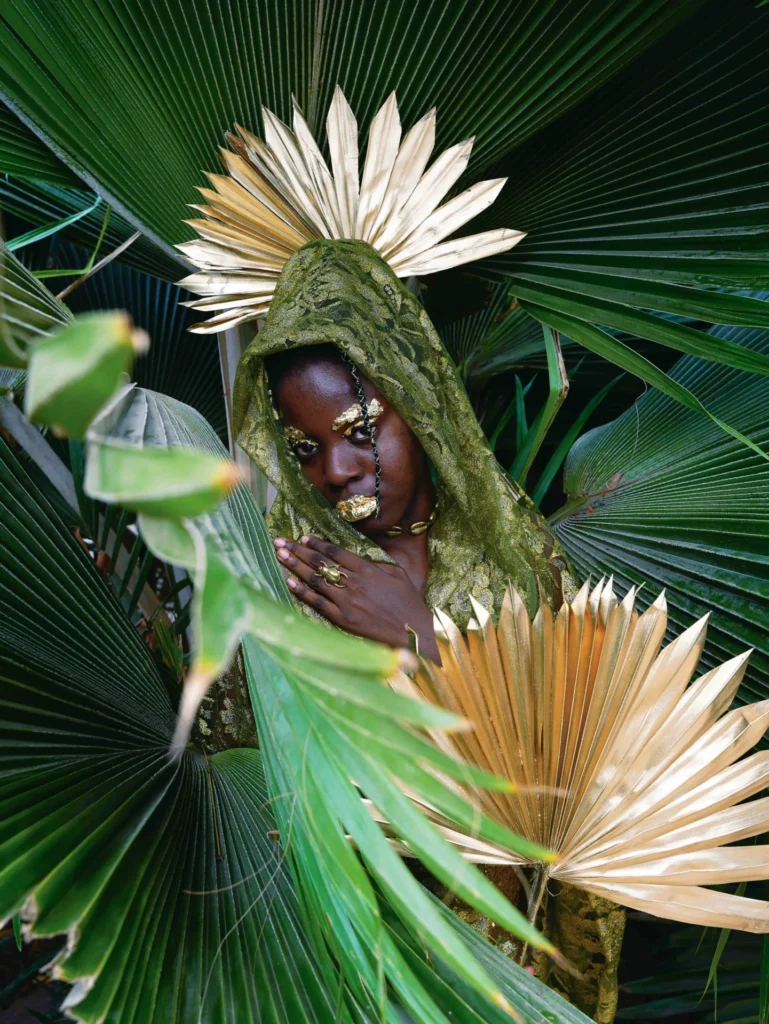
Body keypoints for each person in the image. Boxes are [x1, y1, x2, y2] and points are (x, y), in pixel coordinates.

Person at [233, 239, 572, 658]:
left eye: (359, 430)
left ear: (419, 409)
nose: (336, 472)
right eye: (304, 450)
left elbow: (581, 710)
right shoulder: (281, 578)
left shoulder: (512, 550)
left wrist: (423, 638)